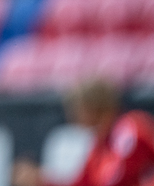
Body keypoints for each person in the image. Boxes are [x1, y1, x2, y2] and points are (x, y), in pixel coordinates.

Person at [13, 79, 154, 186]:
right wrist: (42, 180)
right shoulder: (100, 143)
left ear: (92, 107)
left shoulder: (130, 127)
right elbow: (83, 182)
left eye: (76, 108)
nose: (71, 115)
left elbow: (113, 179)